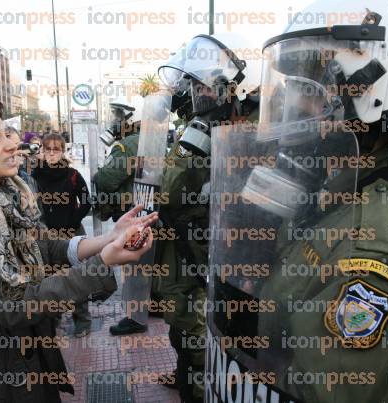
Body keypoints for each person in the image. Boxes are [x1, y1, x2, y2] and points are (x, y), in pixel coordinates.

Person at [203, 2, 388, 403]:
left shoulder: (385, 246)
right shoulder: (346, 190)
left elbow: (322, 392)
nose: (294, 103)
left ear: (373, 90)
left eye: (312, 86)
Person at [0, 101, 157, 403]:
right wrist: (104, 262)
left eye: (7, 134)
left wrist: (109, 238)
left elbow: (45, 245)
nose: (11, 144)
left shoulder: (5, 194)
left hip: (28, 350)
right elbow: (9, 305)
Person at [155, 32, 262, 402]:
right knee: (185, 334)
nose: (192, 94)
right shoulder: (204, 127)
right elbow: (169, 191)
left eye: (199, 86)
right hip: (192, 250)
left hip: (229, 262)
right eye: (192, 86)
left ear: (227, 87)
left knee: (205, 343)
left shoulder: (254, 124)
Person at [32, 132, 93, 336]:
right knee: (51, 280)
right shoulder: (35, 175)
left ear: (62, 151)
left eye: (55, 149)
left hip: (71, 233)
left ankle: (82, 321)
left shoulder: (72, 174)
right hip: (46, 236)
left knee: (76, 278)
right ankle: (54, 318)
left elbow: (86, 202)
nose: (51, 153)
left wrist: (72, 221)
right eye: (47, 148)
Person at [93, 95, 144, 223]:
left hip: (128, 215)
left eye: (119, 116)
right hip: (143, 211)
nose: (116, 120)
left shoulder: (128, 144)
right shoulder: (146, 138)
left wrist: (98, 175)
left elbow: (105, 180)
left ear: (133, 117)